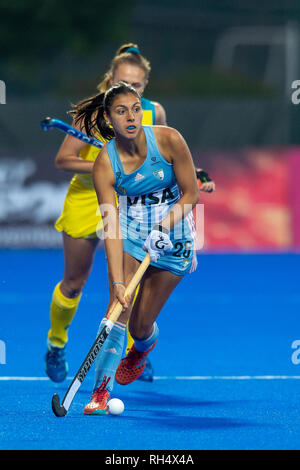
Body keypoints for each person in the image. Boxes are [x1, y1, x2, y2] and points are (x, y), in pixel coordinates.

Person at [44, 43, 215, 384]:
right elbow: (63, 160)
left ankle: (123, 361)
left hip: (134, 206)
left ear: (144, 87)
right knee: (74, 282)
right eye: (123, 82)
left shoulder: (152, 114)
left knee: (124, 295)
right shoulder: (94, 112)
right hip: (87, 197)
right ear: (110, 78)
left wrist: (196, 172)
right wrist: (102, 165)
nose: (130, 92)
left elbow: (162, 153)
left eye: (137, 87)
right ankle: (57, 342)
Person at [80, 81, 201, 415]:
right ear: (108, 118)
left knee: (140, 326)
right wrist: (117, 283)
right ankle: (100, 391)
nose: (131, 116)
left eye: (135, 108)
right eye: (121, 111)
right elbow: (111, 226)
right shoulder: (105, 163)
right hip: (132, 232)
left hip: (176, 235)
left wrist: (164, 228)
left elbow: (191, 194)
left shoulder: (168, 139)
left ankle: (143, 348)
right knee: (118, 309)